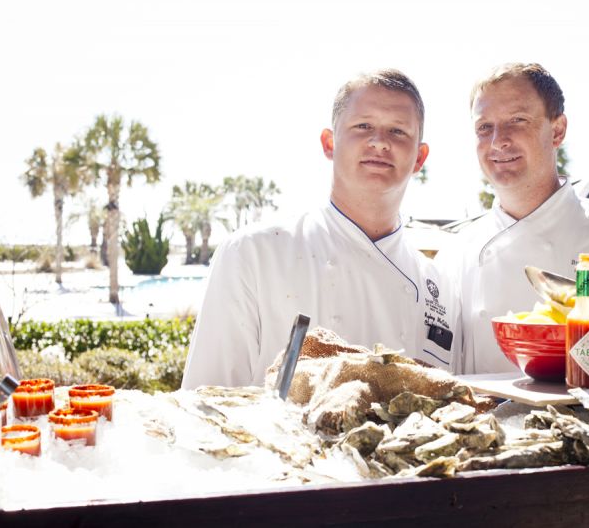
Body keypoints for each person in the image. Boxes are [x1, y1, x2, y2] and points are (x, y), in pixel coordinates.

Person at [182, 70, 459, 389]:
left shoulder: (439, 286)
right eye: (363, 126)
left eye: (398, 131)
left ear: (419, 157)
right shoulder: (253, 254)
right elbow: (203, 405)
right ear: (330, 143)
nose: (379, 142)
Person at [435, 63, 589, 375]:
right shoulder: (455, 255)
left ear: (557, 130)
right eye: (484, 127)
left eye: (517, 121)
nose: (498, 140)